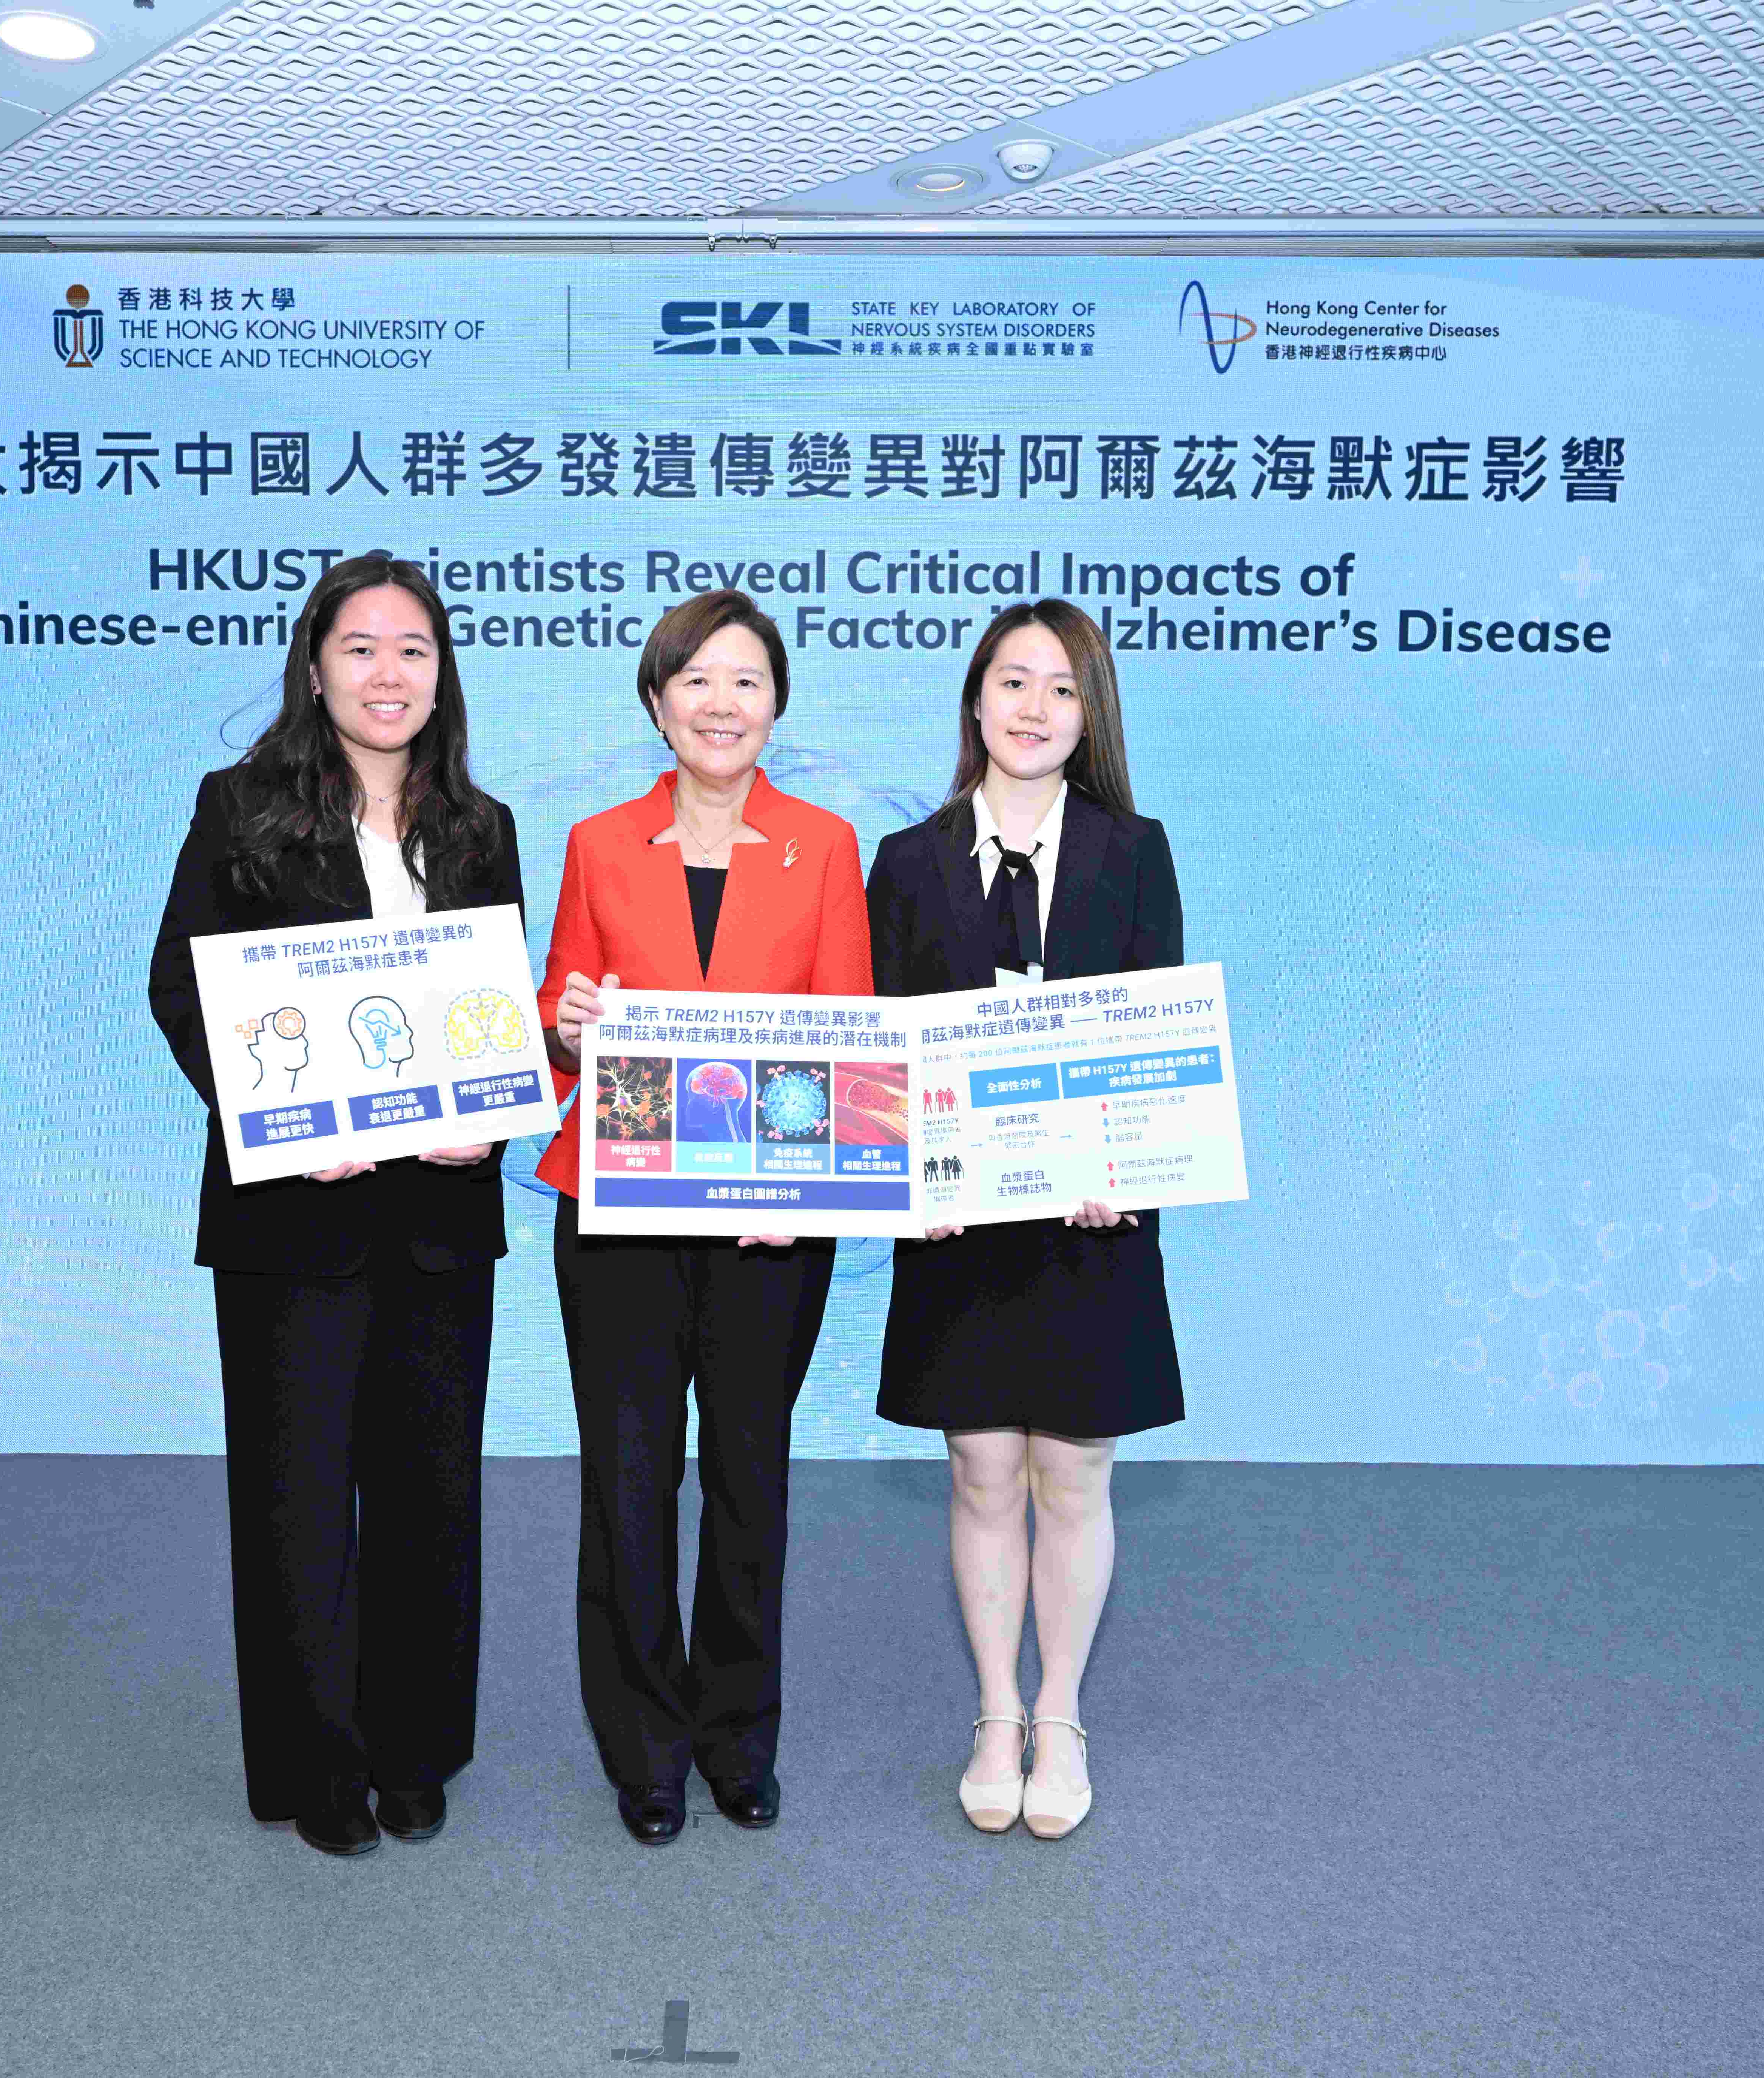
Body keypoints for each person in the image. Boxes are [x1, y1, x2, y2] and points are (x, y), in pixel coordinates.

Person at [148, 554, 521, 1858]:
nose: (387, 675)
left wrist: (492, 1108)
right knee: (298, 1495)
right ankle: (318, 1765)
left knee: (430, 1492)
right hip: (292, 1218)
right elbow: (181, 993)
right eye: (360, 648)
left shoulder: (481, 829)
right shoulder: (239, 809)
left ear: (442, 675)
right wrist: (277, 1120)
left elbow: (494, 1017)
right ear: (314, 667)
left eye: (413, 651)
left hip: (437, 1217)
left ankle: (416, 1751)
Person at [537, 589, 869, 1847]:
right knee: (625, 1487)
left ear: (776, 703)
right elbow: (563, 1030)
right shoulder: (598, 843)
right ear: (658, 704)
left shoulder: (827, 846)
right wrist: (562, 1025)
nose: (721, 704)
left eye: (745, 681)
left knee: (748, 1480)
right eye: (696, 682)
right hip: (617, 1213)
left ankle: (739, 1739)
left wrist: (808, 1192)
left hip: (772, 1226)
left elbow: (843, 1037)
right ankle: (645, 1750)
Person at [865, 599, 1186, 1842]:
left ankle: (1062, 1714)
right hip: (960, 1227)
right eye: (1012, 682)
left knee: (1076, 1470)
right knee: (982, 1468)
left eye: (1062, 688)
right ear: (976, 701)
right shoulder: (910, 860)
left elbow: (1161, 1041)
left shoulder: (1137, 851)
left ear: (1088, 714)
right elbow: (884, 1050)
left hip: (1093, 1222)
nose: (1035, 708)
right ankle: (995, 1710)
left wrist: (1130, 1162)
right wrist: (910, 1179)